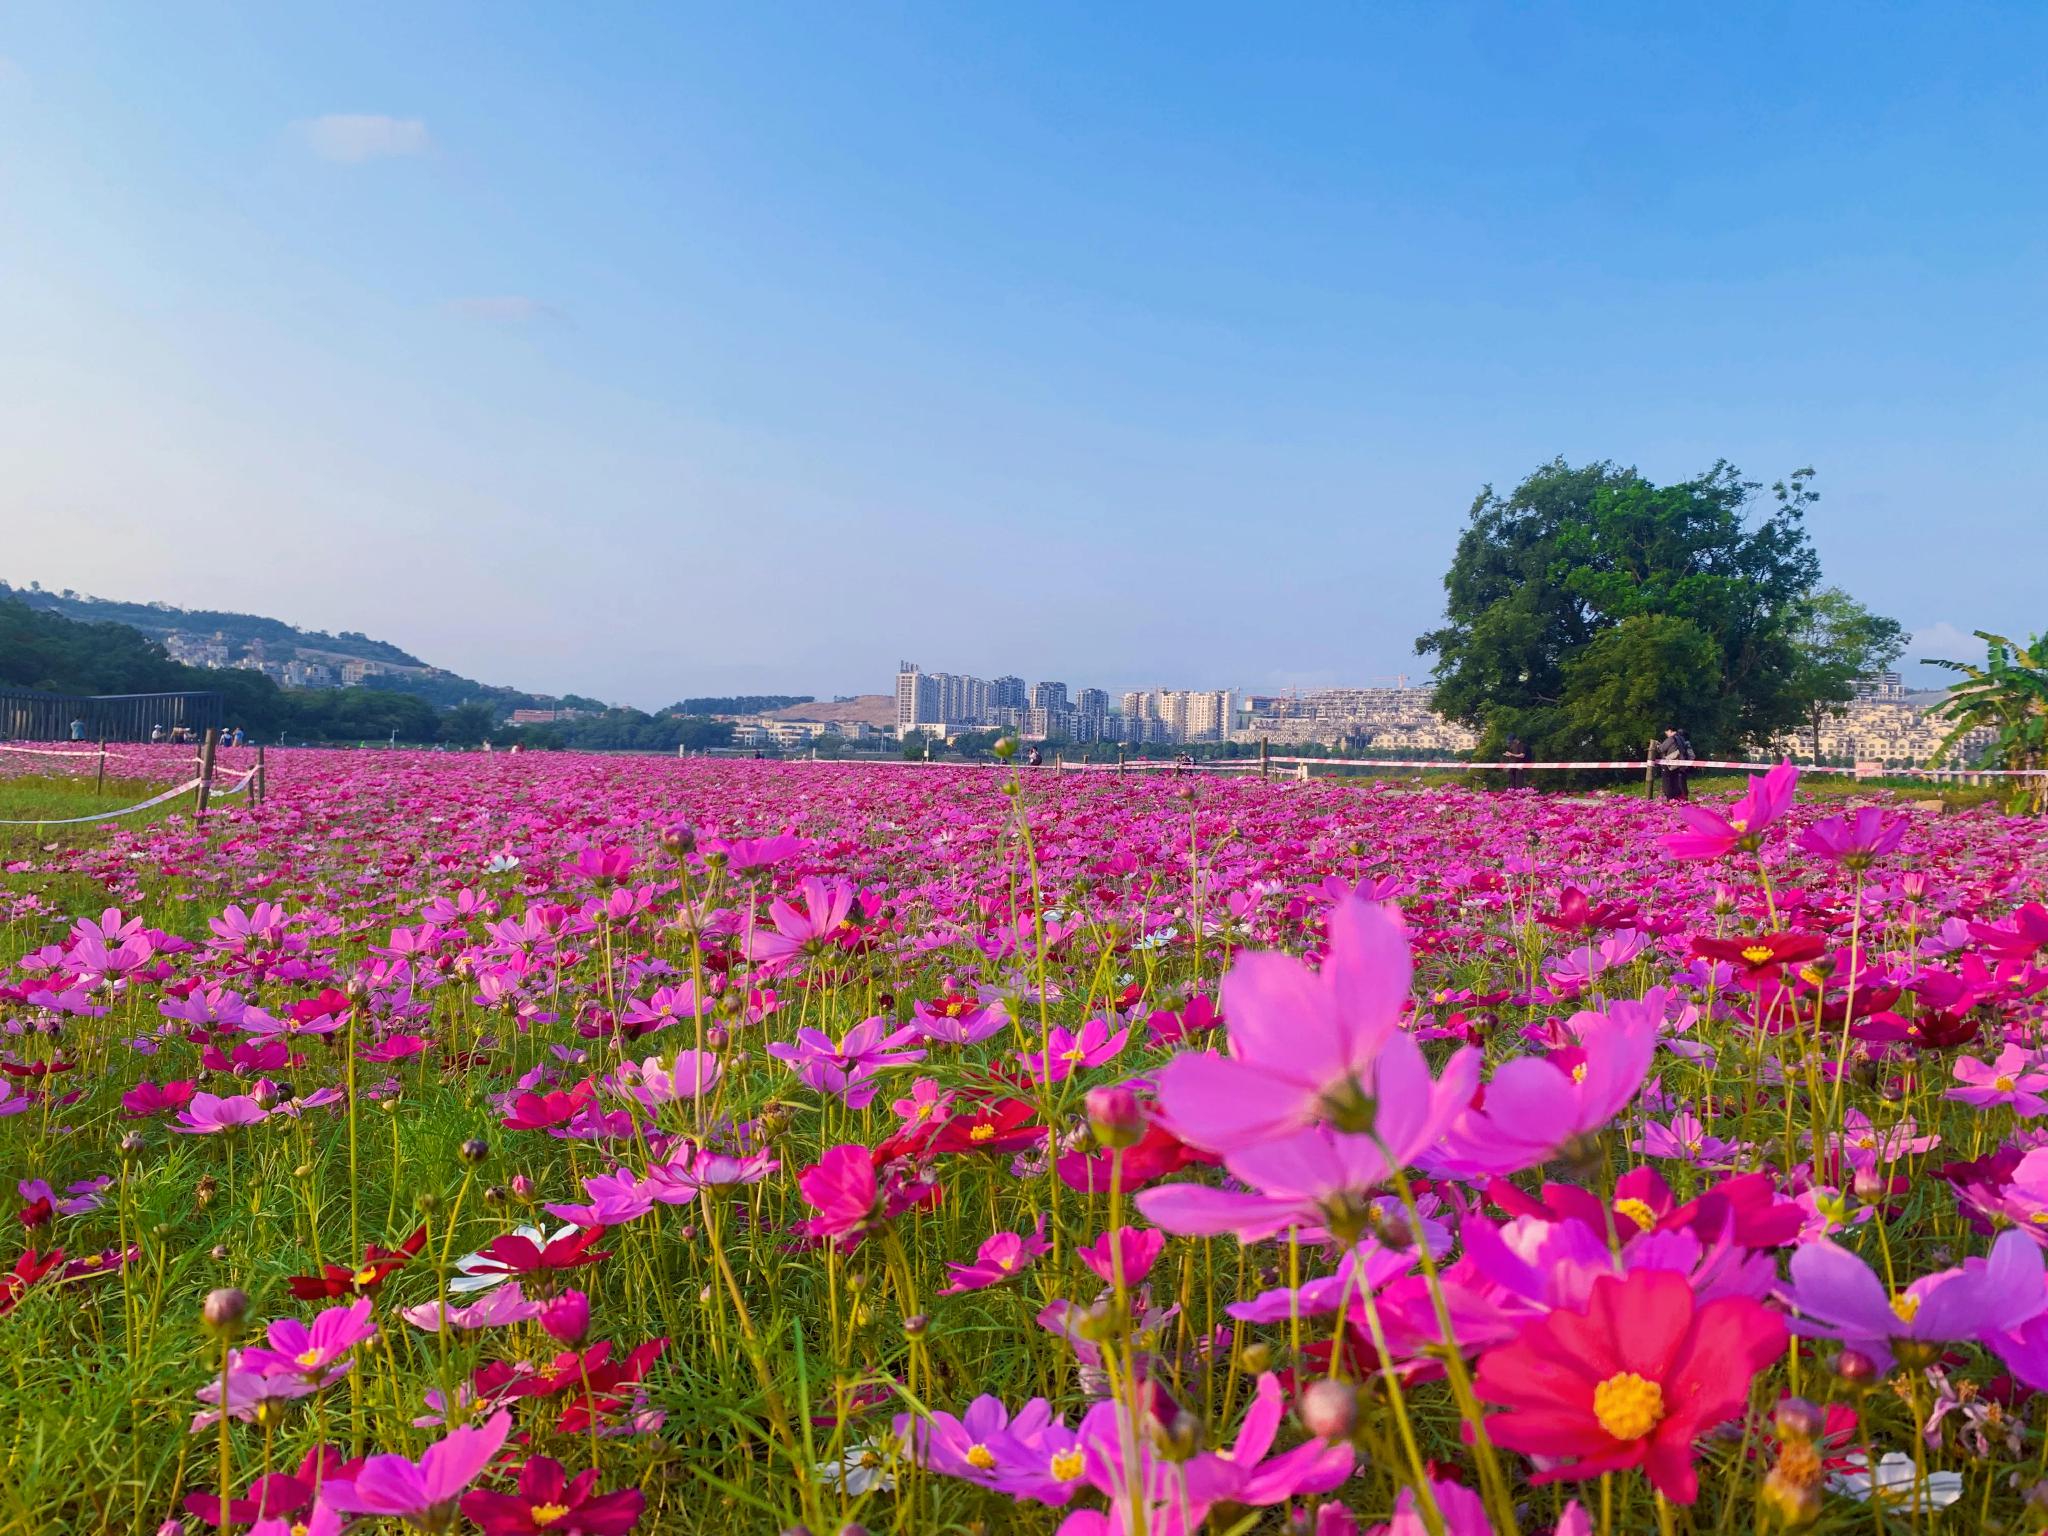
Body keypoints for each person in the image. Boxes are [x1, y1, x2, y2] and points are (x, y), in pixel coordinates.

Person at [1655, 727, 1692, 802]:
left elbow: (1661, 749)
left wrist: (1657, 745)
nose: (1667, 735)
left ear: (1669, 731)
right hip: (1680, 763)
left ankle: (1670, 798)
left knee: (1668, 781)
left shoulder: (1671, 739)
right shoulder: (1681, 738)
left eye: (1667, 733)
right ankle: (1679, 797)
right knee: (1676, 781)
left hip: (1670, 763)